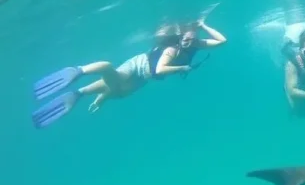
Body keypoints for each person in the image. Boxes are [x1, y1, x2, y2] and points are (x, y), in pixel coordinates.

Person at [30, 18, 227, 129]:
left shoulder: (196, 45)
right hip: (137, 66)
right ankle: (78, 71)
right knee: (112, 73)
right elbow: (160, 69)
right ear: (180, 37)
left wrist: (203, 26)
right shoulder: (172, 50)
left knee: (119, 92)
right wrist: (182, 68)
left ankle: (78, 93)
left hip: (143, 78)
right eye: (185, 39)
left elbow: (222, 41)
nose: (188, 43)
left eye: (192, 40)